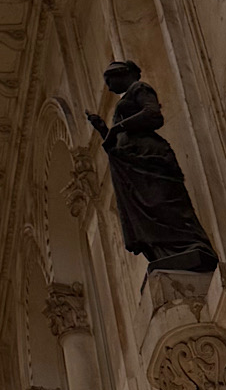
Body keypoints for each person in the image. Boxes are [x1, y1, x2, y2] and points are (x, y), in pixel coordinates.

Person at [86, 60, 216, 274]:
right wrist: (104, 130)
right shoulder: (127, 98)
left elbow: (153, 114)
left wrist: (119, 127)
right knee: (147, 209)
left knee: (163, 202)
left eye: (109, 81)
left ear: (122, 73)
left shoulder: (139, 88)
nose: (108, 87)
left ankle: (191, 244)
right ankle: (166, 253)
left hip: (150, 157)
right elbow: (116, 143)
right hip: (134, 162)